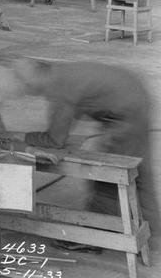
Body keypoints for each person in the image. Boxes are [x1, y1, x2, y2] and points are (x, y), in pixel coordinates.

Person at [12, 58, 158, 250]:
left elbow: (56, 140)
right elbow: (70, 117)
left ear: (38, 76)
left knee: (108, 176)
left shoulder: (59, 86)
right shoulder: (62, 72)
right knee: (141, 172)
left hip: (126, 112)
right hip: (135, 97)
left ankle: (94, 236)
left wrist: (25, 137)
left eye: (27, 84)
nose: (27, 90)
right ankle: (154, 231)